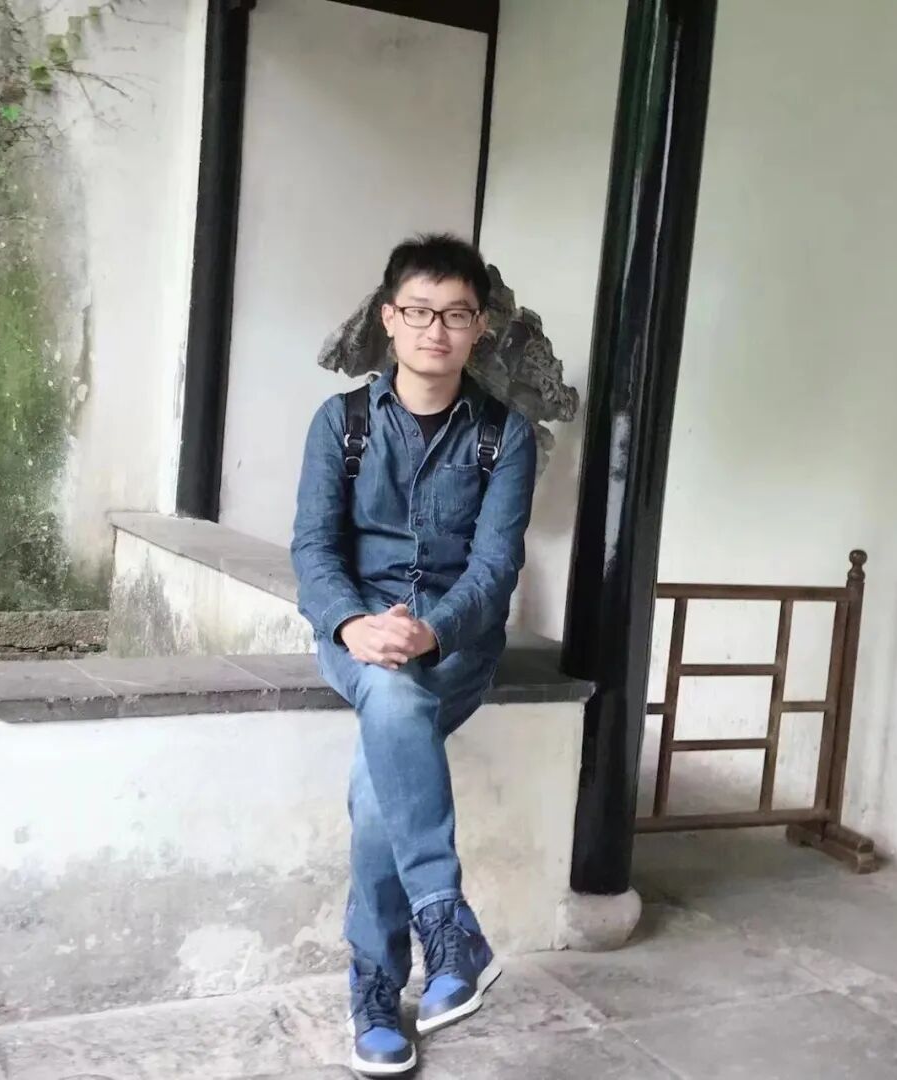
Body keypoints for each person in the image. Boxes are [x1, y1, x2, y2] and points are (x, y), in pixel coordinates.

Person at [291, 234, 537, 1076]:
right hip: (358, 635)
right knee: (390, 695)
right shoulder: (343, 424)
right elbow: (313, 548)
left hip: (455, 645)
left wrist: (432, 630)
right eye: (420, 312)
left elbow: (495, 567)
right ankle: (445, 921)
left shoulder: (505, 436)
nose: (437, 331)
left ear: (479, 328)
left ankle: (374, 987)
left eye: (456, 315)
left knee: (376, 788)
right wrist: (352, 626)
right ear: (390, 318)